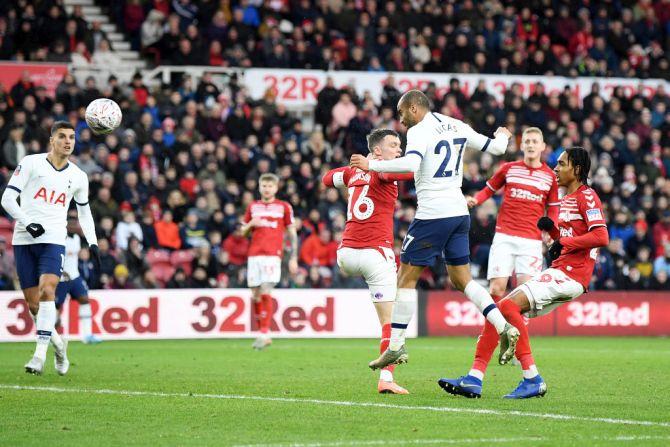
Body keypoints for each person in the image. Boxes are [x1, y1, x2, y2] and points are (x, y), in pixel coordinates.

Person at [349, 89, 519, 370]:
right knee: (463, 280)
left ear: (415, 108)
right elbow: (498, 148)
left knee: (404, 279)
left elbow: (412, 163)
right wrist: (502, 134)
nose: (401, 121)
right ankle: (503, 327)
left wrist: (372, 164)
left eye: (402, 113)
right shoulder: (457, 125)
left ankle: (395, 346)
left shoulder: (419, 131)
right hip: (459, 213)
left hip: (433, 214)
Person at [439, 147, 609, 399]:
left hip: (571, 275)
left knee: (505, 307)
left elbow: (601, 236)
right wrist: (554, 234)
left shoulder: (587, 196)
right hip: (563, 270)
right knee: (498, 309)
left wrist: (565, 244)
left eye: (561, 164)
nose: (556, 169)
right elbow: (568, 240)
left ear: (577, 170)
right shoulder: (566, 199)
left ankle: (532, 378)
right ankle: (475, 378)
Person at [0, 121, 101, 375]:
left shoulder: (78, 176)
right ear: (52, 140)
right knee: (34, 305)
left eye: (72, 138)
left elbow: (85, 213)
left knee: (48, 291)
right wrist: (27, 222)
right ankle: (59, 344)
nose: (68, 141)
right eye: (63, 137)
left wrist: (93, 242)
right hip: (24, 238)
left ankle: (38, 356)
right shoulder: (31, 163)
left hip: (55, 238)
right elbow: (7, 198)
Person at [323, 128, 414, 394]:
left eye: (400, 145)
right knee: (391, 322)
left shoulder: (353, 172)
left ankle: (391, 359)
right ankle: (386, 378)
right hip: (374, 253)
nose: (399, 149)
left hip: (346, 254)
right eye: (393, 145)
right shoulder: (385, 169)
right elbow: (411, 170)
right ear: (377, 151)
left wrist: (357, 171)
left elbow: (327, 179)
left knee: (389, 317)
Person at [463, 127, 559, 375]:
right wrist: (476, 200)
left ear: (542, 146)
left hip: (530, 241)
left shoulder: (550, 177)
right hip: (505, 236)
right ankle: (493, 331)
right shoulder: (508, 168)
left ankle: (518, 345)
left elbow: (554, 210)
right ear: (522, 145)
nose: (530, 144)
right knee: (496, 289)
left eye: (534, 141)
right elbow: (489, 188)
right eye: (526, 140)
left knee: (524, 298)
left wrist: (552, 234)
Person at [241, 173, 298, 350]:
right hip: (254, 255)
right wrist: (251, 225)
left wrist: (294, 257)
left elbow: (292, 233)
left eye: (270, 186)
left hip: (272, 254)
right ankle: (262, 333)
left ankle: (265, 332)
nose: (267, 189)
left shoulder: (284, 207)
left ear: (276, 188)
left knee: (266, 289)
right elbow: (243, 232)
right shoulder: (252, 207)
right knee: (255, 294)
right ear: (259, 187)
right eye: (264, 186)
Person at [54, 216, 103, 345]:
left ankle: (87, 335)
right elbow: (55, 257)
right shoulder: (60, 239)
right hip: (62, 278)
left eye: (76, 224)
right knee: (56, 307)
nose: (75, 226)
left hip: (75, 276)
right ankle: (50, 336)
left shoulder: (76, 238)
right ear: (66, 225)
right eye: (72, 224)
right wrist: (61, 271)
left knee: (85, 300)